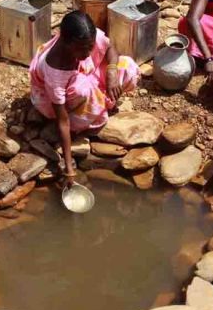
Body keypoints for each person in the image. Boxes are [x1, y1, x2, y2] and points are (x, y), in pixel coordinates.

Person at [29, 11, 139, 183]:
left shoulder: (84, 37)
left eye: (91, 46)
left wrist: (111, 72)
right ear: (66, 41)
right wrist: (69, 167)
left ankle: (98, 98)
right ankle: (90, 114)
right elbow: (62, 121)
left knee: (128, 67)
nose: (88, 52)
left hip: (84, 74)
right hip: (57, 103)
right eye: (82, 48)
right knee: (82, 90)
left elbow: (110, 48)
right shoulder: (55, 71)